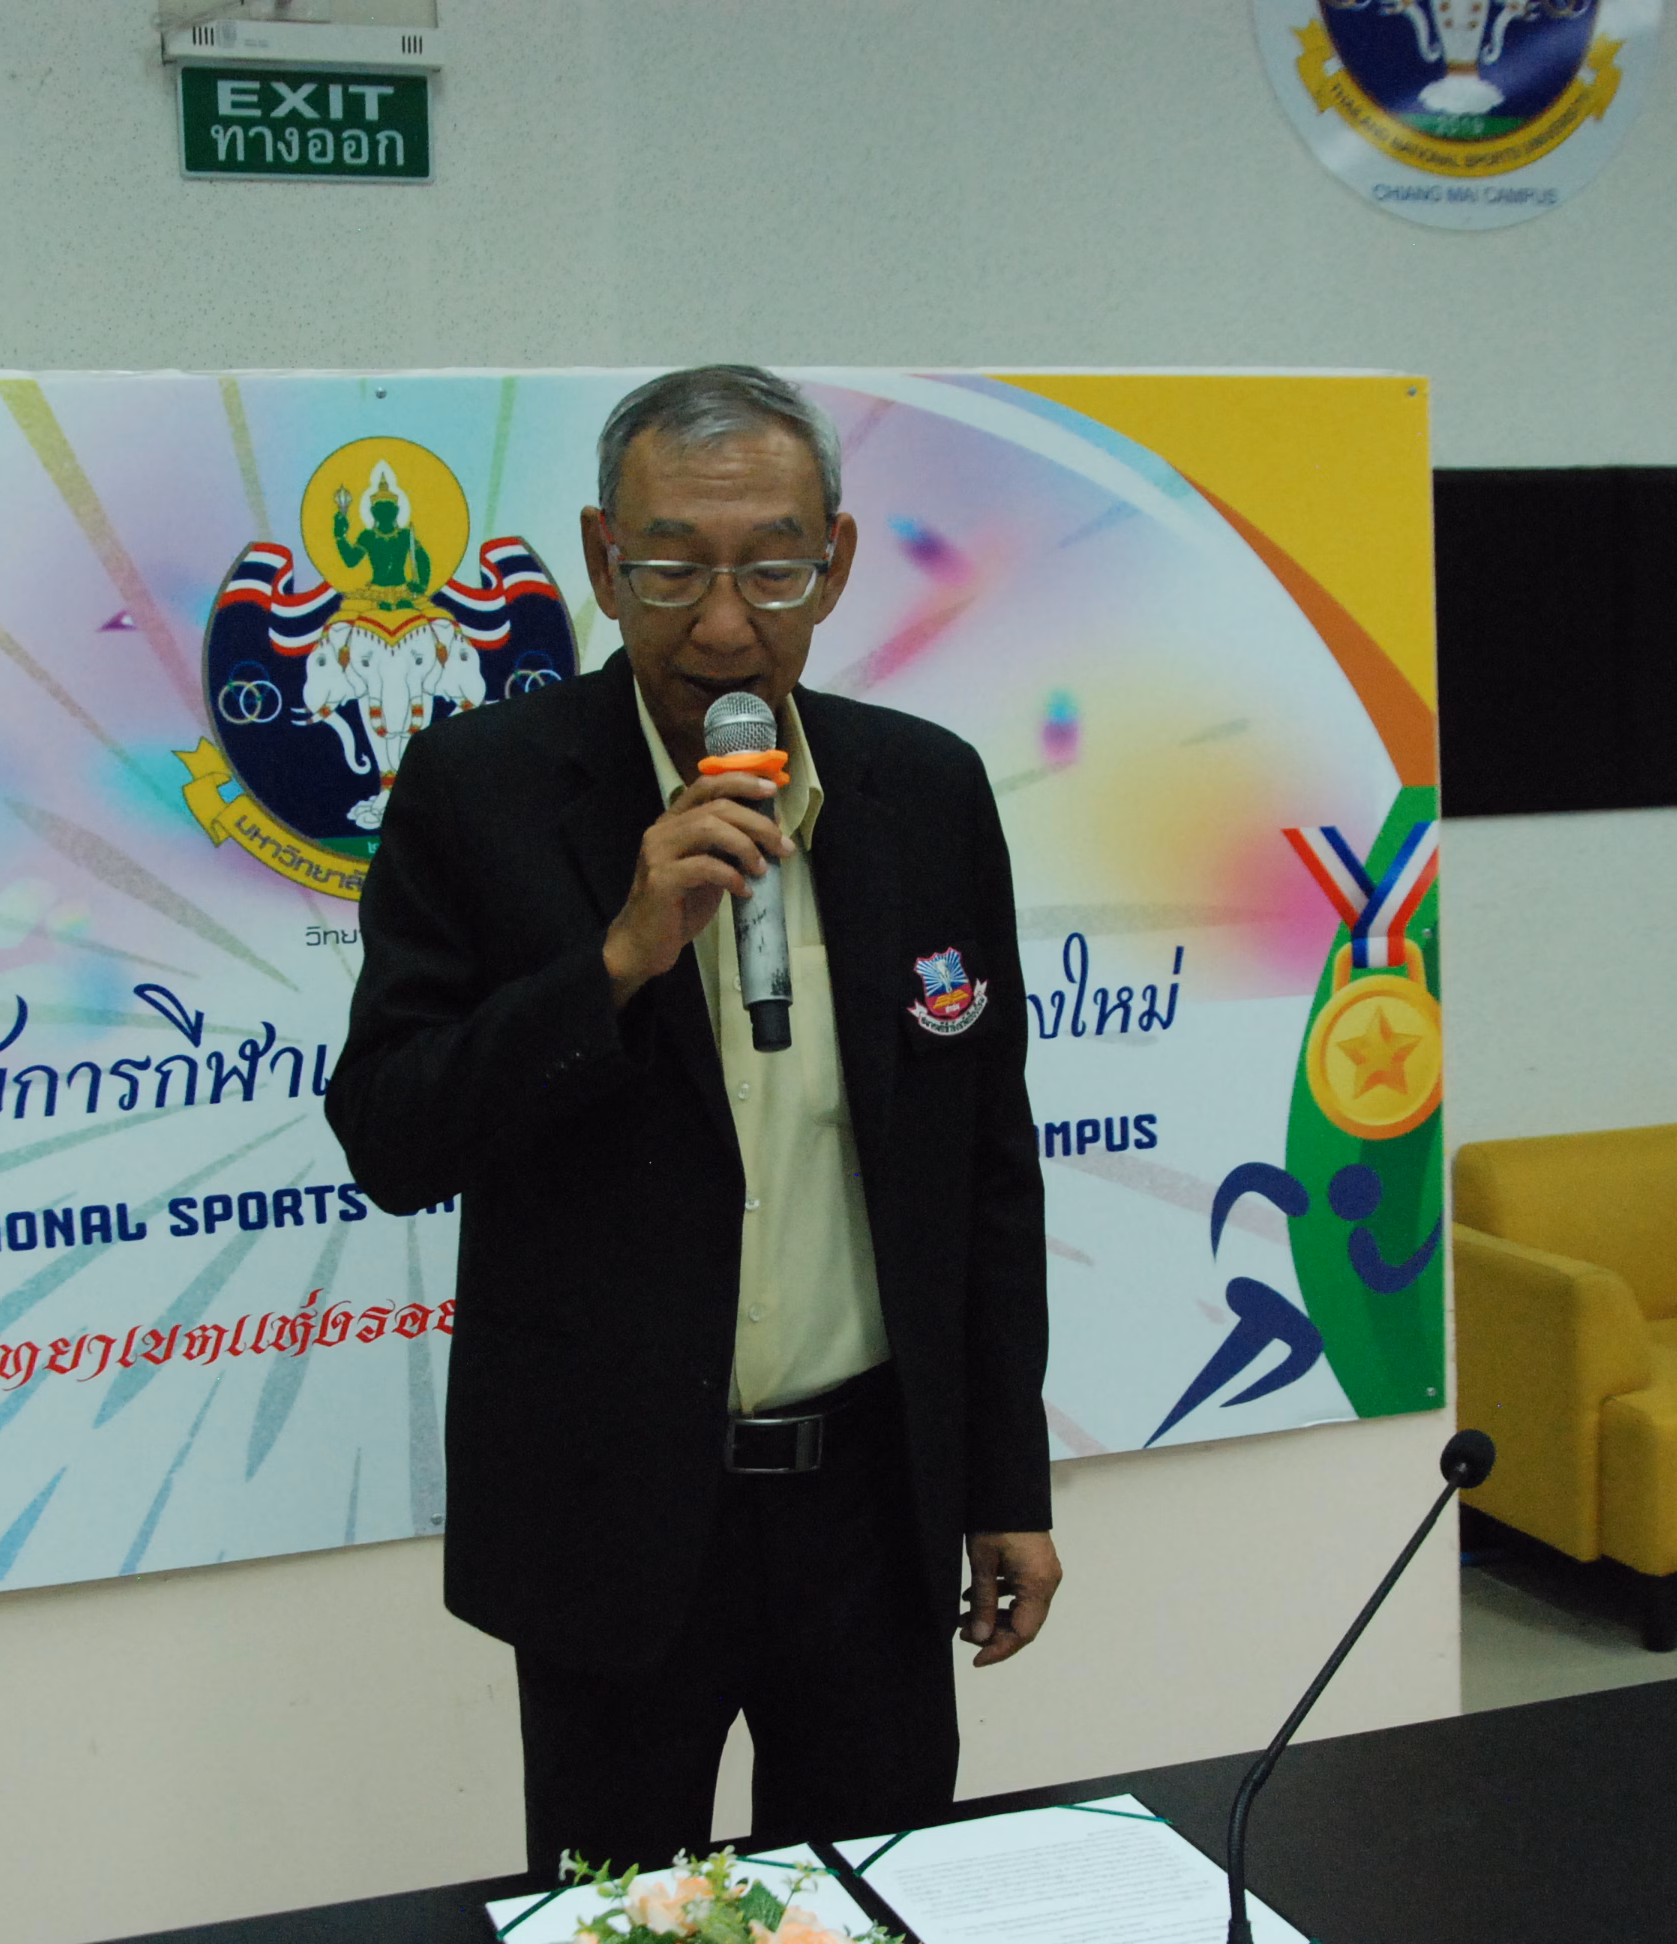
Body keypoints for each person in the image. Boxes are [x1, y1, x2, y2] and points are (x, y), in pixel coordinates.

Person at [325, 364, 1061, 1874]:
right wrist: (614, 961)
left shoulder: (924, 791)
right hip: (612, 1515)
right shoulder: (481, 789)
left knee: (872, 1901)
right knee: (617, 1912)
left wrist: (1002, 1487)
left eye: (771, 569)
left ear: (834, 566)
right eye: (671, 570)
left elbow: (985, 1167)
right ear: (602, 561)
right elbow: (391, 1135)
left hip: (871, 1507)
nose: (724, 624)